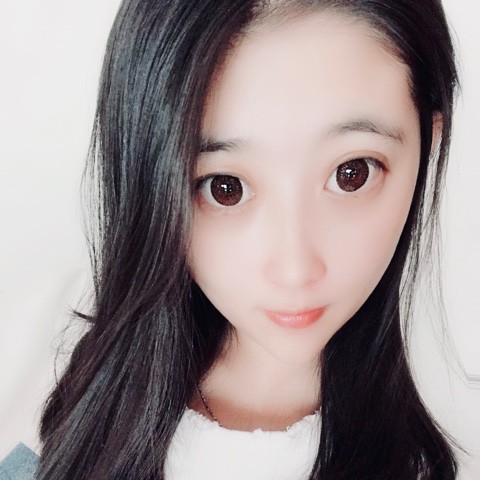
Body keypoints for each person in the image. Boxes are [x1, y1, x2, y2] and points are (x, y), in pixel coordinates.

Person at [29, 0, 459, 478]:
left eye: (352, 173)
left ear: (428, 142)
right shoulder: (42, 406)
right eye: (225, 188)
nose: (295, 269)